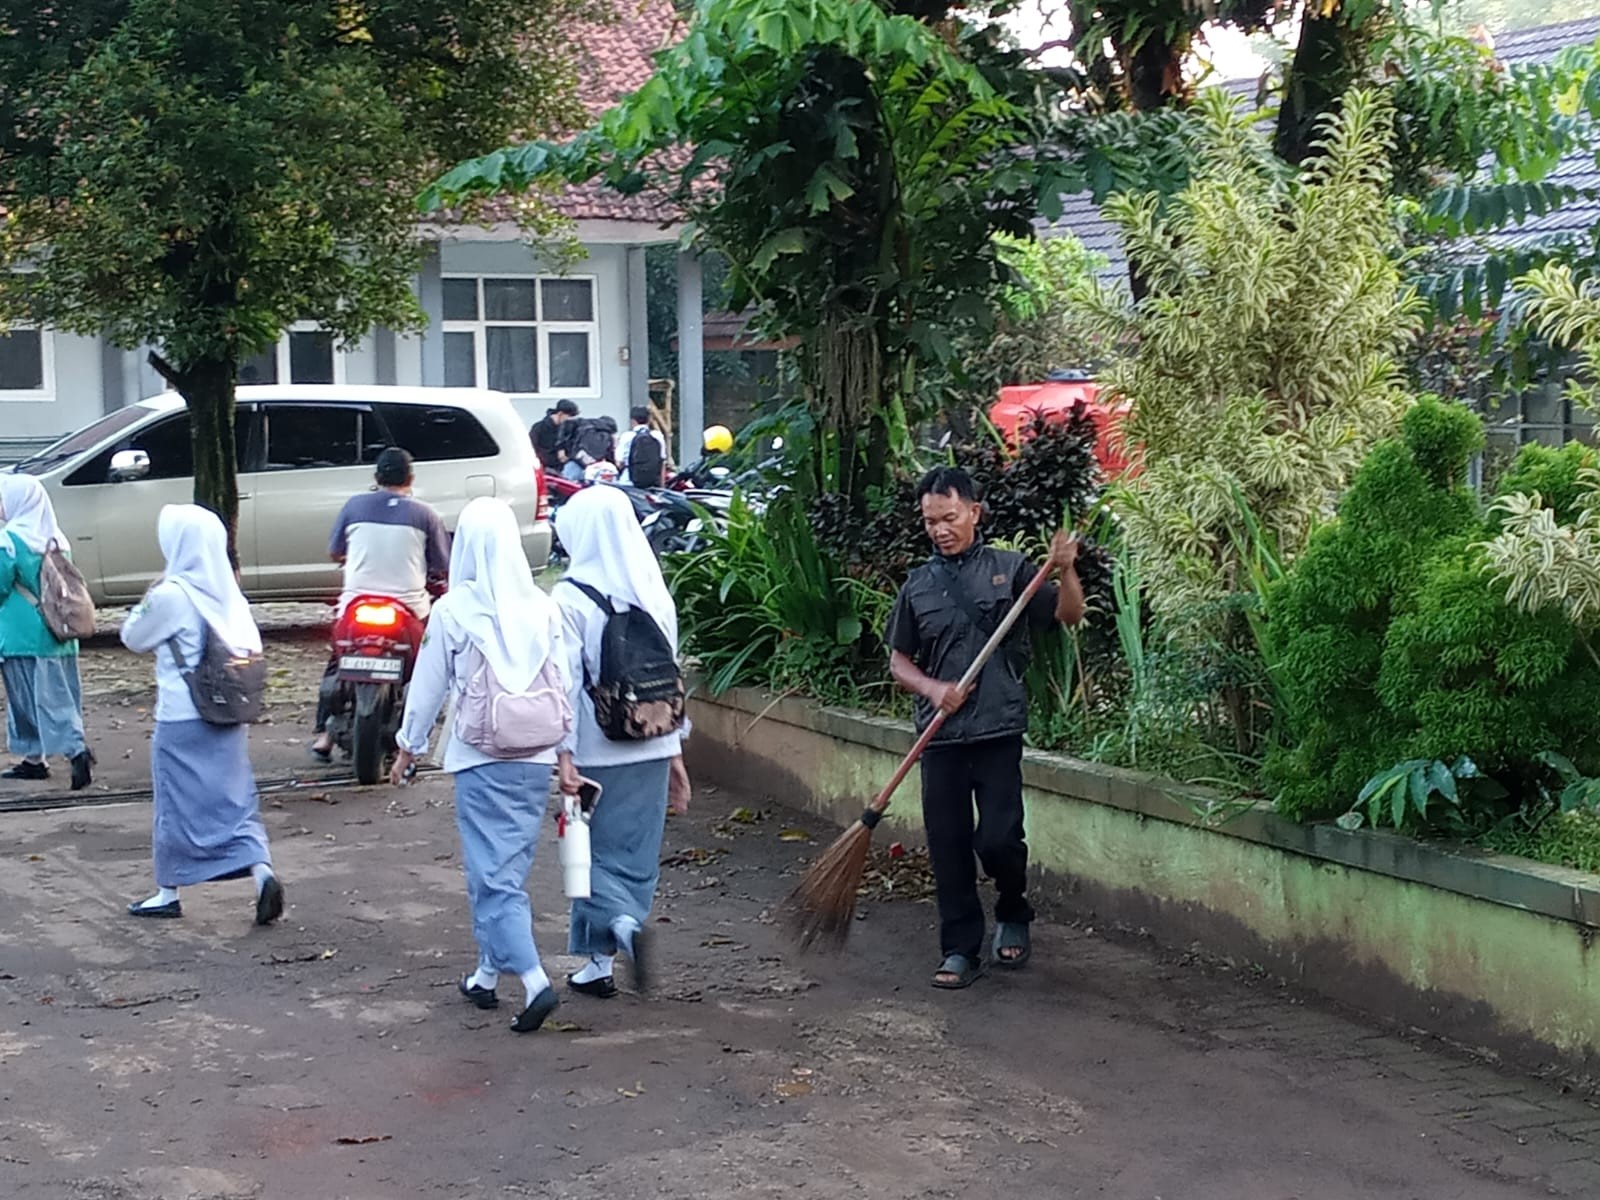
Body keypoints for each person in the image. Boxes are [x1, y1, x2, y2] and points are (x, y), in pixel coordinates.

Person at [886, 466, 1084, 990]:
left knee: (999, 838)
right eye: (930, 521)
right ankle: (960, 950)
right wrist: (933, 689)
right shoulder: (918, 585)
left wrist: (1065, 570)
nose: (939, 529)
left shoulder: (1012, 570)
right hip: (941, 735)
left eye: (949, 517)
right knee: (948, 845)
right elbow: (899, 662)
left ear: (975, 512)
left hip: (998, 728)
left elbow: (1069, 615)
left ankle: (1013, 908)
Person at [390, 497, 568, 1034]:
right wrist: (567, 755)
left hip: (479, 758)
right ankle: (486, 975)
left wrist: (408, 747)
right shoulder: (542, 606)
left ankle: (534, 980)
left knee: (493, 876)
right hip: (536, 755)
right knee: (503, 869)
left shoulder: (454, 611)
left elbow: (427, 688)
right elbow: (564, 684)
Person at [553, 485, 690, 999]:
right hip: (653, 740)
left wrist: (563, 753)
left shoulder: (569, 599)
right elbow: (671, 680)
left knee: (582, 854)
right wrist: (675, 755)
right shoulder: (653, 592)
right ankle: (597, 965)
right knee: (633, 855)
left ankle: (625, 928)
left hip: (595, 749)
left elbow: (565, 684)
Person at [120, 505, 284, 924]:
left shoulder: (172, 595)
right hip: (229, 712)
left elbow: (132, 637)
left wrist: (153, 591)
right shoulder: (229, 594)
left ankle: (167, 891)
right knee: (234, 800)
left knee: (175, 803)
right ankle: (262, 872)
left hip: (182, 715)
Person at [309, 447, 449, 761]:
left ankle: (324, 735)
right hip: (408, 607)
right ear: (410, 479)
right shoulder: (426, 514)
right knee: (423, 665)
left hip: (356, 604)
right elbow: (441, 564)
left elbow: (335, 551)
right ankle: (414, 733)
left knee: (338, 656)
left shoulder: (354, 506)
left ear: (376, 477)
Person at [0, 475, 93, 789]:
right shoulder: (57, 539)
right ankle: (49, 755)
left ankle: (61, 754)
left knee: (25, 700)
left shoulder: (9, 540)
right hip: (60, 631)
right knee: (59, 696)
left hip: (21, 634)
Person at [617, 406, 667, 489]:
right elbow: (662, 462)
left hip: (628, 482)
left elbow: (619, 463)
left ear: (632, 421)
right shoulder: (657, 436)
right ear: (649, 419)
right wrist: (662, 486)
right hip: (651, 484)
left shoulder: (626, 436)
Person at [530, 399, 580, 474]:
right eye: (569, 416)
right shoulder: (539, 428)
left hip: (563, 467)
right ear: (560, 414)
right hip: (544, 467)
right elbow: (531, 448)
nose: (570, 420)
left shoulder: (569, 429)